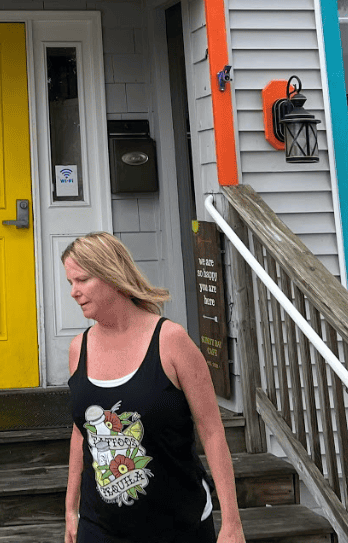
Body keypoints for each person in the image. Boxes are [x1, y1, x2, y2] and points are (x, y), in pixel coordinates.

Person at [62, 232, 245, 543]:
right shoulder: (79, 349)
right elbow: (82, 433)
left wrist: (232, 522)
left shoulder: (170, 341)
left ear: (112, 276)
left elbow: (211, 429)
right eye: (70, 283)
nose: (74, 292)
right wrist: (71, 508)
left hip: (177, 525)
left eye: (81, 281)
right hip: (100, 527)